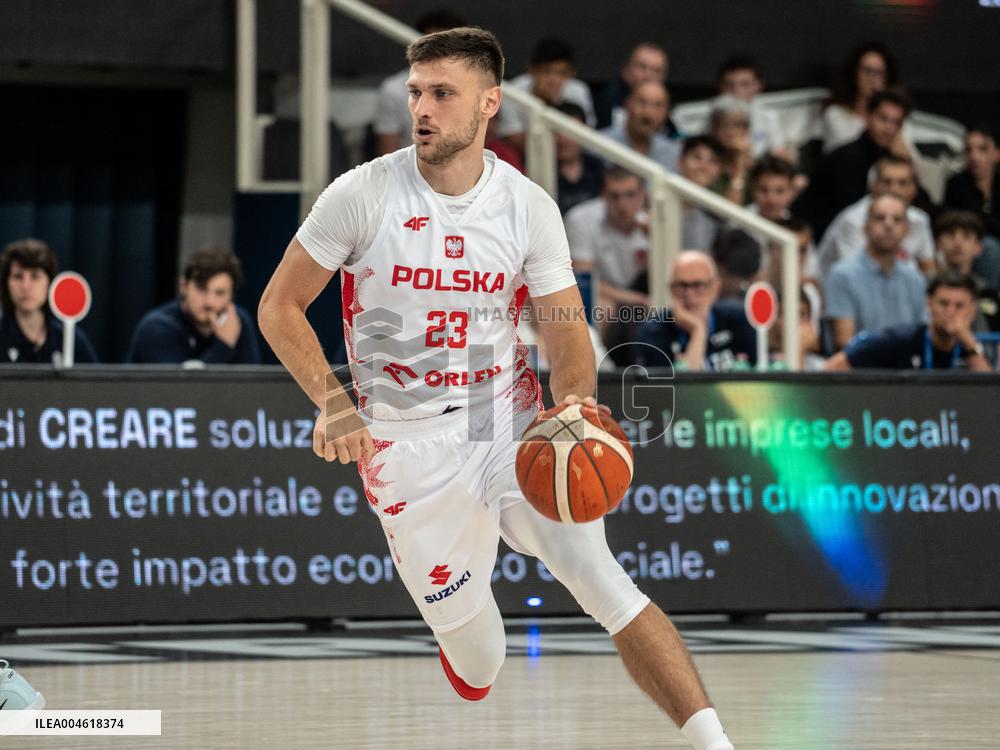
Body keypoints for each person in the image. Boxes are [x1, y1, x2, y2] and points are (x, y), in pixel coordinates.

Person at [257, 28, 734, 750]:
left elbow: (566, 333)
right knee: (482, 659)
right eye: (416, 91)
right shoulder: (362, 194)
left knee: (597, 574)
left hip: (503, 420)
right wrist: (333, 400)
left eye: (442, 93)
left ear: (489, 104)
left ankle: (716, 745)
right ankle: (466, 638)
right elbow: (278, 306)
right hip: (404, 443)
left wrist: (571, 403)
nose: (423, 107)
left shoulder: (526, 205)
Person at [794, 88, 913, 239]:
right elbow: (849, 213)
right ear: (868, 117)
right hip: (825, 236)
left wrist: (908, 162)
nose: (889, 128)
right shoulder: (845, 158)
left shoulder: (895, 158)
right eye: (883, 119)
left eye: (896, 122)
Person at [826, 271, 991, 371]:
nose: (950, 312)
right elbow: (834, 367)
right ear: (929, 303)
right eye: (943, 303)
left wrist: (969, 344)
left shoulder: (973, 351)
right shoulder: (898, 340)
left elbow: (990, 399)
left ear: (972, 309)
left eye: (959, 306)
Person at [824, 194, 926, 350]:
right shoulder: (842, 274)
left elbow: (922, 336)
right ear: (866, 228)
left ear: (907, 230)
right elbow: (844, 343)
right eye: (880, 218)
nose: (888, 225)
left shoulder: (916, 279)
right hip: (860, 369)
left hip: (908, 370)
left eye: (897, 219)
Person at [127, 246, 260, 364]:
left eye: (220, 293)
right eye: (201, 289)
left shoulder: (238, 322)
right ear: (184, 286)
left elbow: (252, 387)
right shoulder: (156, 327)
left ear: (232, 295)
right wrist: (224, 345)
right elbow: (181, 389)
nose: (209, 302)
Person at [816, 155, 935, 279]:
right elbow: (857, 275)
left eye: (902, 183)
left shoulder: (920, 219)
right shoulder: (852, 220)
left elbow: (928, 270)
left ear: (914, 189)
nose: (894, 189)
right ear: (873, 185)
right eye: (887, 182)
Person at [637, 251, 756, 371]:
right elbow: (676, 388)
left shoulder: (740, 318)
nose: (689, 295)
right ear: (670, 289)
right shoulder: (653, 330)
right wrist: (697, 331)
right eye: (681, 285)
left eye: (699, 285)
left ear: (716, 288)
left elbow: (761, 371)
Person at [373, 9, 467, 156]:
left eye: (448, 46)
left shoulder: (480, 86)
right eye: (415, 93)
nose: (439, 52)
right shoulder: (393, 89)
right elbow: (387, 155)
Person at [0, 238, 98, 365]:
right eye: (18, 276)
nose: (26, 286)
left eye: (35, 276)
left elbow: (96, 383)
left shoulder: (70, 339)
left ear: (50, 282)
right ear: (6, 283)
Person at [496, 36, 595, 154]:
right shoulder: (513, 93)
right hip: (523, 157)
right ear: (531, 70)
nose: (554, 80)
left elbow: (586, 137)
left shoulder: (579, 91)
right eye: (547, 71)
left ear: (571, 74)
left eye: (561, 73)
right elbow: (514, 138)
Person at [822, 42, 898, 153]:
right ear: (854, 73)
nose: (872, 79)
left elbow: (915, 163)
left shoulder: (895, 118)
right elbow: (851, 154)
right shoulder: (835, 114)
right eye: (867, 71)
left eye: (879, 73)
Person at [935, 210, 1000, 330]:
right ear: (937, 244)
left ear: (978, 247)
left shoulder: (988, 293)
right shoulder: (923, 286)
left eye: (966, 236)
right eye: (950, 235)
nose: (957, 243)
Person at [594, 42, 677, 135]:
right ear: (626, 70)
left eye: (656, 71)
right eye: (642, 67)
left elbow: (673, 136)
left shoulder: (665, 101)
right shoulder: (607, 98)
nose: (648, 76)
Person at [599, 81, 679, 174]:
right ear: (627, 104)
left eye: (657, 106)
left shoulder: (673, 154)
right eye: (641, 102)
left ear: (666, 113)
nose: (648, 113)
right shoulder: (599, 144)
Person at [716, 55, 786, 158]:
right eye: (729, 84)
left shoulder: (768, 116)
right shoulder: (712, 116)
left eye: (744, 84)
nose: (736, 90)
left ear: (758, 85)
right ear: (720, 86)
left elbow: (779, 152)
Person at [943, 125, 1000, 240]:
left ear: (997, 153)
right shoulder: (956, 185)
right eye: (968, 150)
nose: (974, 156)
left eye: (983, 149)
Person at [553, 102, 604, 215]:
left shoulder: (596, 166)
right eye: (557, 131)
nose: (563, 139)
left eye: (571, 132)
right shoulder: (542, 167)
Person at [677, 136, 724, 250]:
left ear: (718, 172)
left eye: (712, 161)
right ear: (681, 162)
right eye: (697, 157)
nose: (703, 166)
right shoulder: (656, 201)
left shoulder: (718, 216)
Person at [706, 96, 755, 204]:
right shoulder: (705, 162)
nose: (731, 132)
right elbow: (730, 209)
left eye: (737, 125)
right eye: (725, 125)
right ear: (714, 129)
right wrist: (738, 169)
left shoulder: (755, 164)